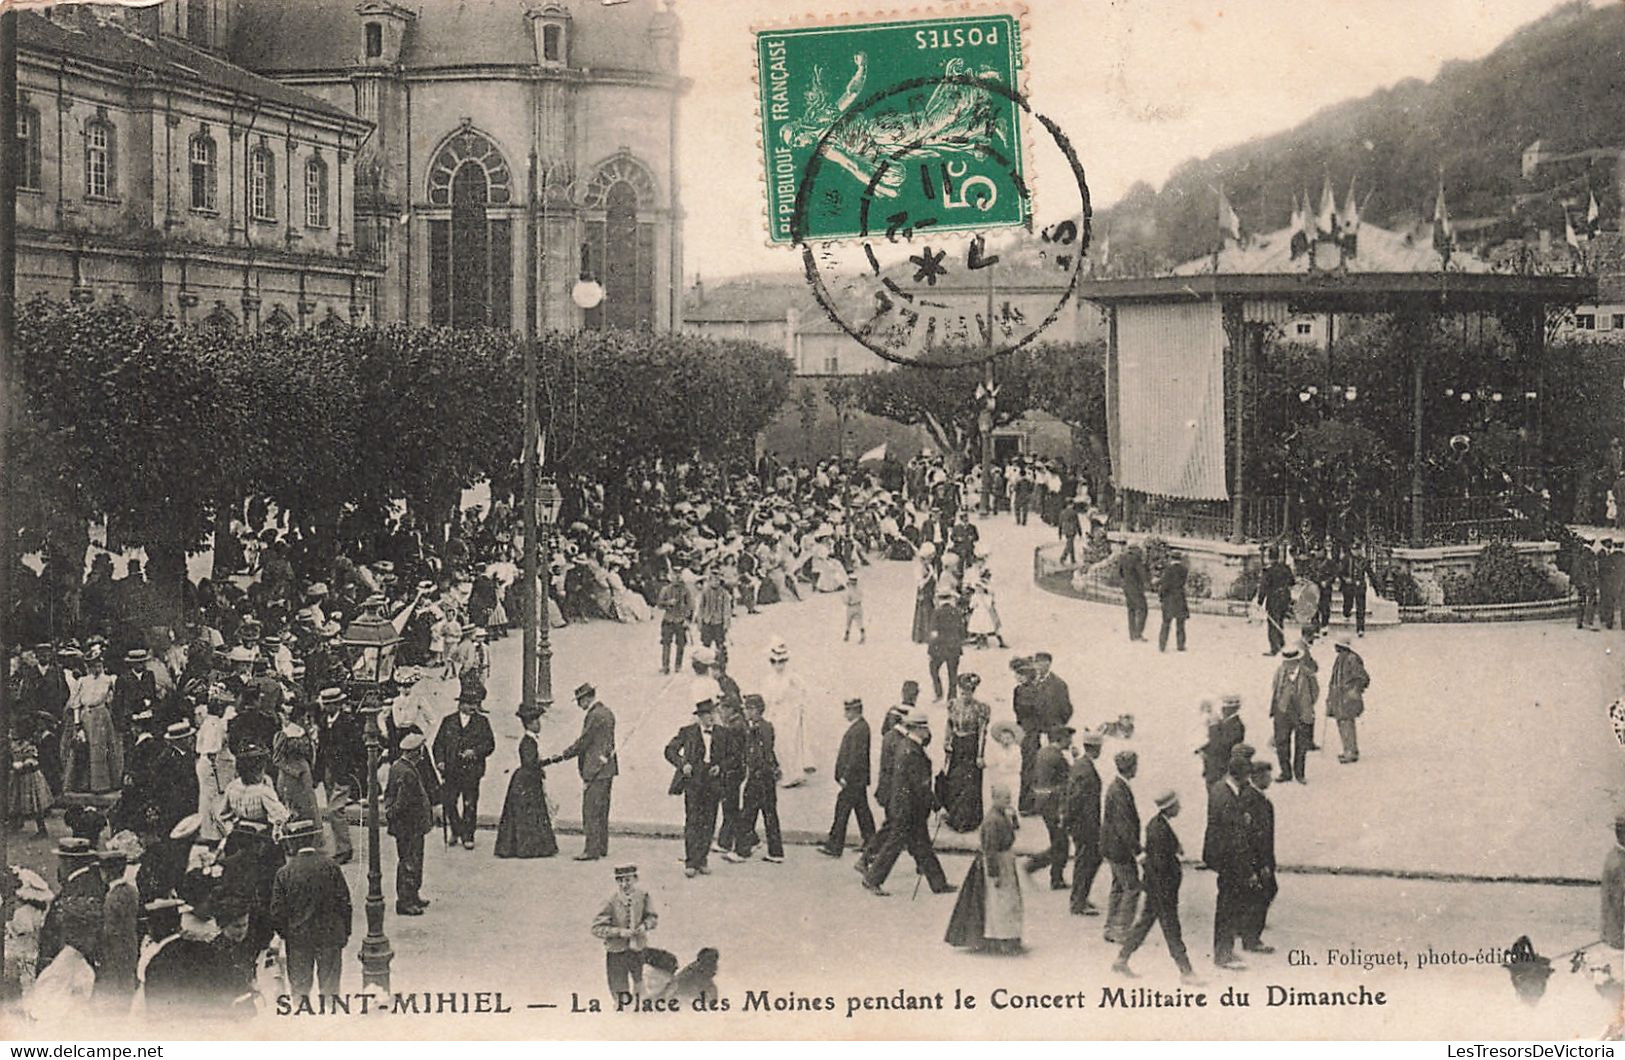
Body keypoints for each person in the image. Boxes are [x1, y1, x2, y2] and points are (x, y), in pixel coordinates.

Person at [862, 709, 954, 897]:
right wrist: (936, 804)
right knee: (895, 845)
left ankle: (939, 884)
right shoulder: (911, 750)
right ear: (917, 729)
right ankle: (872, 879)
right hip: (908, 809)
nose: (927, 732)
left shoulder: (908, 746)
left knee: (923, 847)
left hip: (909, 807)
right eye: (925, 728)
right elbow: (920, 785)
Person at [1111, 791, 1199, 983]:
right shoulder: (1159, 829)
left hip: (1155, 887)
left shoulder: (1157, 824)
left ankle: (1122, 958)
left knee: (1144, 924)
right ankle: (1186, 972)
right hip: (1162, 889)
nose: (1180, 808)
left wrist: (1175, 849)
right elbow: (1160, 864)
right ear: (1170, 807)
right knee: (1172, 930)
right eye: (1177, 805)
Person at [269, 818, 352, 998]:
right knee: (330, 992)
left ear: (292, 842)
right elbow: (344, 902)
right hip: (330, 936)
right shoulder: (331, 866)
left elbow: (276, 913)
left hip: (299, 939)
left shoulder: (284, 873)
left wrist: (287, 934)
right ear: (313, 840)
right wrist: (345, 932)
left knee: (299, 991)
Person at [665, 699, 742, 878]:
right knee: (693, 820)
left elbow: (734, 756)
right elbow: (670, 750)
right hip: (693, 780)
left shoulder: (723, 733)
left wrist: (721, 766)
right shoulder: (687, 732)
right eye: (707, 715)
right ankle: (691, 861)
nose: (711, 718)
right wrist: (682, 764)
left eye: (713, 714)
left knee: (709, 820)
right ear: (699, 717)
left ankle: (702, 860)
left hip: (713, 781)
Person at [542, 683, 618, 861]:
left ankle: (591, 850)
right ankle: (601, 846)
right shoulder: (606, 712)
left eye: (579, 700)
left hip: (595, 769)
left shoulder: (594, 715)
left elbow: (583, 743)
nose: (578, 705)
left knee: (590, 810)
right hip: (607, 768)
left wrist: (560, 756)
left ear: (586, 698)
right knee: (602, 810)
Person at [945, 784, 1024, 954]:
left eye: (1009, 798)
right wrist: (994, 874)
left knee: (1006, 902)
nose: (1009, 801)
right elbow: (990, 850)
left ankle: (1007, 937)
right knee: (999, 904)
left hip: (1005, 862)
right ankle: (1003, 939)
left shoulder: (1002, 815)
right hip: (999, 863)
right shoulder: (992, 821)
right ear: (995, 799)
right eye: (1005, 798)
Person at [434, 676, 496, 850]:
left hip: (472, 770)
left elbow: (490, 744)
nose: (473, 707)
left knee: (470, 803)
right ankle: (456, 829)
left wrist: (475, 752)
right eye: (469, 703)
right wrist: (440, 762)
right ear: (460, 704)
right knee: (449, 802)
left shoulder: (482, 722)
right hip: (451, 770)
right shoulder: (448, 721)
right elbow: (438, 744)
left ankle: (468, 835)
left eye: (475, 703)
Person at [1204, 754, 1253, 971]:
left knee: (1227, 904)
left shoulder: (1218, 788)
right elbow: (1234, 836)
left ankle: (1225, 949)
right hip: (1229, 860)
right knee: (1228, 906)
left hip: (1220, 856)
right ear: (1242, 775)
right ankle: (1223, 953)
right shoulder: (1227, 797)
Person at [495, 703, 559, 859]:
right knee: (528, 814)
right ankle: (528, 848)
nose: (539, 724)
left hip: (527, 779)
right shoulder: (528, 742)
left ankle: (524, 847)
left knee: (528, 814)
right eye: (537, 721)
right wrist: (549, 761)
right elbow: (530, 764)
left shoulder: (530, 741)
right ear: (530, 723)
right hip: (527, 781)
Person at [385, 732, 436, 915]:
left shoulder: (398, 767)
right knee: (410, 862)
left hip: (406, 826)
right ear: (415, 752)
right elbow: (402, 802)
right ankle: (405, 901)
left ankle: (412, 896)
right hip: (410, 826)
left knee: (410, 860)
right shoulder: (407, 772)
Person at [728, 695, 783, 863]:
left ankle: (741, 851)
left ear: (756, 710)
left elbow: (761, 753)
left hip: (759, 777)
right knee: (769, 814)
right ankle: (776, 852)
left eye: (748, 708)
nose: (745, 711)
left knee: (747, 814)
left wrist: (756, 772)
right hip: (766, 777)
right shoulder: (764, 727)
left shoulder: (759, 729)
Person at [591, 865, 658, 1003]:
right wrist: (619, 932)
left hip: (638, 948)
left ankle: (640, 1012)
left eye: (627, 880)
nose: (624, 884)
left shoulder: (643, 896)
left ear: (636, 879)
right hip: (617, 951)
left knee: (641, 984)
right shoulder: (611, 900)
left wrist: (644, 926)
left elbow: (652, 917)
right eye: (620, 881)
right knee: (618, 987)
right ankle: (623, 1012)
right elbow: (597, 928)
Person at [820, 697, 875, 857]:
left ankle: (834, 846)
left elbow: (855, 757)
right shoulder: (860, 727)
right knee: (862, 810)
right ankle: (871, 843)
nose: (845, 714)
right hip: (858, 779)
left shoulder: (859, 729)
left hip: (853, 779)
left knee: (842, 810)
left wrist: (845, 776)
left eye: (847, 710)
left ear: (854, 711)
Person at [1023, 726, 1075, 890]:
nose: (1071, 741)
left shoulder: (1043, 753)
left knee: (1058, 842)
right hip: (1055, 805)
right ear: (1060, 739)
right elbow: (1071, 778)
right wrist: (1075, 758)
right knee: (1061, 844)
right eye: (1068, 738)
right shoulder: (1056, 757)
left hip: (1044, 804)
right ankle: (1036, 866)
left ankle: (1053, 875)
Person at [759, 638, 813, 786]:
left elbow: (804, 690)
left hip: (789, 715)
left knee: (791, 743)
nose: (778, 665)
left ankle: (794, 773)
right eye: (775, 662)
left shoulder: (792, 677)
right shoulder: (769, 679)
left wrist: (798, 704)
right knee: (779, 744)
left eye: (782, 661)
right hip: (776, 715)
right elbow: (766, 698)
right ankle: (785, 771)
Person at [1101, 750, 1141, 945]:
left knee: (1118, 887)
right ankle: (1121, 930)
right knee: (1132, 887)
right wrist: (1137, 850)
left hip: (1112, 847)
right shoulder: (1119, 790)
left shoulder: (1117, 787)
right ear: (1131, 767)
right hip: (1120, 849)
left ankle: (1110, 926)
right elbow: (1124, 824)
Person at [941, 673, 990, 832]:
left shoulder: (980, 708)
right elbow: (949, 724)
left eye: (968, 692)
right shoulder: (953, 704)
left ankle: (967, 820)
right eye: (962, 691)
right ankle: (954, 816)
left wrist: (980, 755)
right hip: (957, 744)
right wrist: (947, 741)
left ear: (973, 691)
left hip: (971, 745)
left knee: (969, 784)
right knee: (954, 781)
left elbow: (982, 732)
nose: (964, 695)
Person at [1240, 761, 1278, 954]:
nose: (1270, 779)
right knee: (1262, 894)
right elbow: (1252, 836)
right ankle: (1251, 938)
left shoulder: (1258, 798)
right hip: (1258, 859)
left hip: (1264, 858)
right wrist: (1261, 864)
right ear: (1257, 777)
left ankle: (1246, 930)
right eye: (1267, 776)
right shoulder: (1251, 799)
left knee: (1264, 892)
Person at [1269, 643, 1321, 784]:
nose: (1288, 665)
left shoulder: (1307, 673)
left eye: (1291, 662)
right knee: (1281, 743)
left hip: (1302, 713)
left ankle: (1299, 774)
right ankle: (1285, 772)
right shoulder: (1280, 672)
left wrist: (1307, 705)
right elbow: (1275, 688)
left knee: (1301, 745)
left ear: (1297, 661)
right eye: (1286, 662)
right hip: (1283, 712)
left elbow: (1315, 691)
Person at [1066, 730, 1105, 916]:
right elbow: (1075, 799)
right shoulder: (1086, 769)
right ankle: (1078, 902)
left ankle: (1081, 898)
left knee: (1091, 860)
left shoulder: (1081, 765)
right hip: (1085, 826)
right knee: (1085, 862)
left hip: (1084, 824)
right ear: (1096, 748)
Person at [1326, 634, 1370, 764]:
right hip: (1339, 697)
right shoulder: (1340, 658)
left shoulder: (1352, 659)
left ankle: (1350, 752)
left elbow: (1363, 678)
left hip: (1347, 697)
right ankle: (1348, 749)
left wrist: (1355, 690)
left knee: (1346, 723)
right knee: (1342, 723)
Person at [926, 588, 966, 701]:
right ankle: (952, 696)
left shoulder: (936, 613)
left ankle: (939, 693)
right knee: (953, 673)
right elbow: (963, 631)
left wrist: (930, 650)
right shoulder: (957, 612)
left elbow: (934, 633)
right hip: (954, 647)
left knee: (934, 670)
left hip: (939, 648)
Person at [1197, 694, 1246, 787]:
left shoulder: (1236, 726)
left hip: (1221, 771)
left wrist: (1213, 726)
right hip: (1215, 770)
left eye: (1225, 708)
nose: (1222, 711)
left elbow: (1219, 746)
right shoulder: (1227, 723)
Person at [982, 719, 1024, 818]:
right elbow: (990, 762)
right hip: (999, 777)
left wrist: (1000, 762)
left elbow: (1011, 762)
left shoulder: (1016, 750)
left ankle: (1013, 818)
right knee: (999, 798)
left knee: (1013, 798)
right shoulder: (996, 749)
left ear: (1013, 739)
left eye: (1009, 738)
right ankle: (999, 817)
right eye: (1003, 738)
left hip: (1012, 777)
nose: (1006, 741)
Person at [1258, 548, 1295, 656]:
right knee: (1280, 620)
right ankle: (1281, 642)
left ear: (1269, 558)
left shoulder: (1268, 570)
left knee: (1273, 622)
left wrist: (1260, 601)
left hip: (1274, 598)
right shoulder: (1285, 568)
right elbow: (1292, 582)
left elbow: (1264, 587)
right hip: (1285, 597)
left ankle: (1275, 647)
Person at [656, 572, 693, 675]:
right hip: (668, 619)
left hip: (680, 620)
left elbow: (690, 606)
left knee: (681, 644)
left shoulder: (686, 591)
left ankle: (678, 665)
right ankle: (665, 666)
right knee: (666, 643)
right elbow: (659, 604)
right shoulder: (665, 589)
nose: (676, 578)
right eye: (674, 576)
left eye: (678, 575)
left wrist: (687, 619)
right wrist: (668, 603)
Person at [1155, 549, 1190, 652]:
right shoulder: (1184, 570)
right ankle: (1180, 645)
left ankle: (1162, 645)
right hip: (1180, 597)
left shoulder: (1168, 570)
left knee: (1166, 623)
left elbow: (1165, 585)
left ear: (1171, 558)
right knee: (1181, 624)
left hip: (1169, 598)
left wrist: (1161, 596)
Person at [1340, 541, 1373, 637]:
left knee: (1361, 608)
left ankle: (1360, 629)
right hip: (1349, 586)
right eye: (1354, 550)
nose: (1356, 552)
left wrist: (1376, 587)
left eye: (1357, 550)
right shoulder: (1346, 559)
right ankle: (1346, 613)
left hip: (1360, 586)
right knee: (1348, 603)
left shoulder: (1364, 561)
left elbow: (1370, 573)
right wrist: (1346, 579)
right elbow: (1340, 572)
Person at [696, 569, 733, 651]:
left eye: (717, 580)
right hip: (707, 622)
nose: (716, 582)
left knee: (720, 644)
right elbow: (701, 608)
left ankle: (721, 662)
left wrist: (726, 623)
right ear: (709, 581)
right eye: (713, 580)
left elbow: (726, 609)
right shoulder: (705, 592)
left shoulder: (723, 593)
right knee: (705, 645)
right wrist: (699, 621)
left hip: (718, 622)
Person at [1119, 544, 1150, 643]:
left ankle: (1132, 634)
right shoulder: (1136, 560)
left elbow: (1120, 572)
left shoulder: (1123, 558)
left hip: (1127, 587)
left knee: (1131, 610)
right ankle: (1138, 633)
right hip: (1136, 588)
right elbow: (1143, 574)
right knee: (1143, 609)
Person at [911, 544, 937, 645]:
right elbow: (920, 584)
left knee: (930, 612)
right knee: (923, 613)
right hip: (924, 592)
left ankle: (928, 635)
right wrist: (930, 576)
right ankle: (921, 636)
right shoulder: (919, 568)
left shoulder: (929, 566)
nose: (930, 560)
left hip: (930, 592)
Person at [843, 572, 866, 643]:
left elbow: (846, 600)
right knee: (859, 622)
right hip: (859, 606)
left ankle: (847, 635)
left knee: (848, 622)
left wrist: (845, 602)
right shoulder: (859, 589)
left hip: (851, 607)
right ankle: (862, 634)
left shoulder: (849, 590)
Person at [1058, 500, 1081, 564]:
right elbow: (1077, 523)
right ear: (1071, 504)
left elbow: (1060, 523)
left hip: (1065, 530)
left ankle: (1072, 559)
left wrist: (1059, 533)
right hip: (1072, 530)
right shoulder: (1074, 512)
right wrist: (1080, 532)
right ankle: (1063, 557)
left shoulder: (1062, 512)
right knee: (1069, 544)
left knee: (1071, 543)